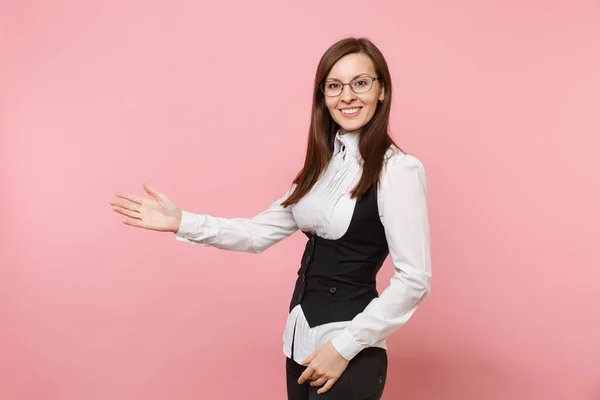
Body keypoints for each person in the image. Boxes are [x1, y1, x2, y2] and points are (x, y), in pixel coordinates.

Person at [110, 37, 431, 400]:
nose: (347, 96)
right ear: (322, 97)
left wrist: (343, 347)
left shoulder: (399, 170)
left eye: (361, 83)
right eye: (334, 86)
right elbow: (256, 234)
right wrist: (181, 221)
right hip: (298, 343)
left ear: (381, 90)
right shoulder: (319, 169)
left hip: (348, 353)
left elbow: (414, 280)